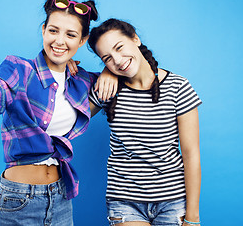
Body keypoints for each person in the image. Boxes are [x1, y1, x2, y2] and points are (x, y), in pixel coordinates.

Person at [0, 0, 116, 226]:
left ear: (82, 41)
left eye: (71, 35)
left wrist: (109, 71)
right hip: (19, 200)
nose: (60, 41)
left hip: (62, 197)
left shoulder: (81, 82)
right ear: (43, 30)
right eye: (53, 30)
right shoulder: (20, 69)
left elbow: (127, 71)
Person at [87, 19, 202, 226]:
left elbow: (191, 155)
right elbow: (66, 119)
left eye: (119, 48)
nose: (118, 60)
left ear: (135, 39)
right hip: (125, 202)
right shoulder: (107, 88)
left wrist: (193, 218)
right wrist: (65, 66)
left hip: (172, 201)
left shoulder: (178, 87)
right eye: (107, 58)